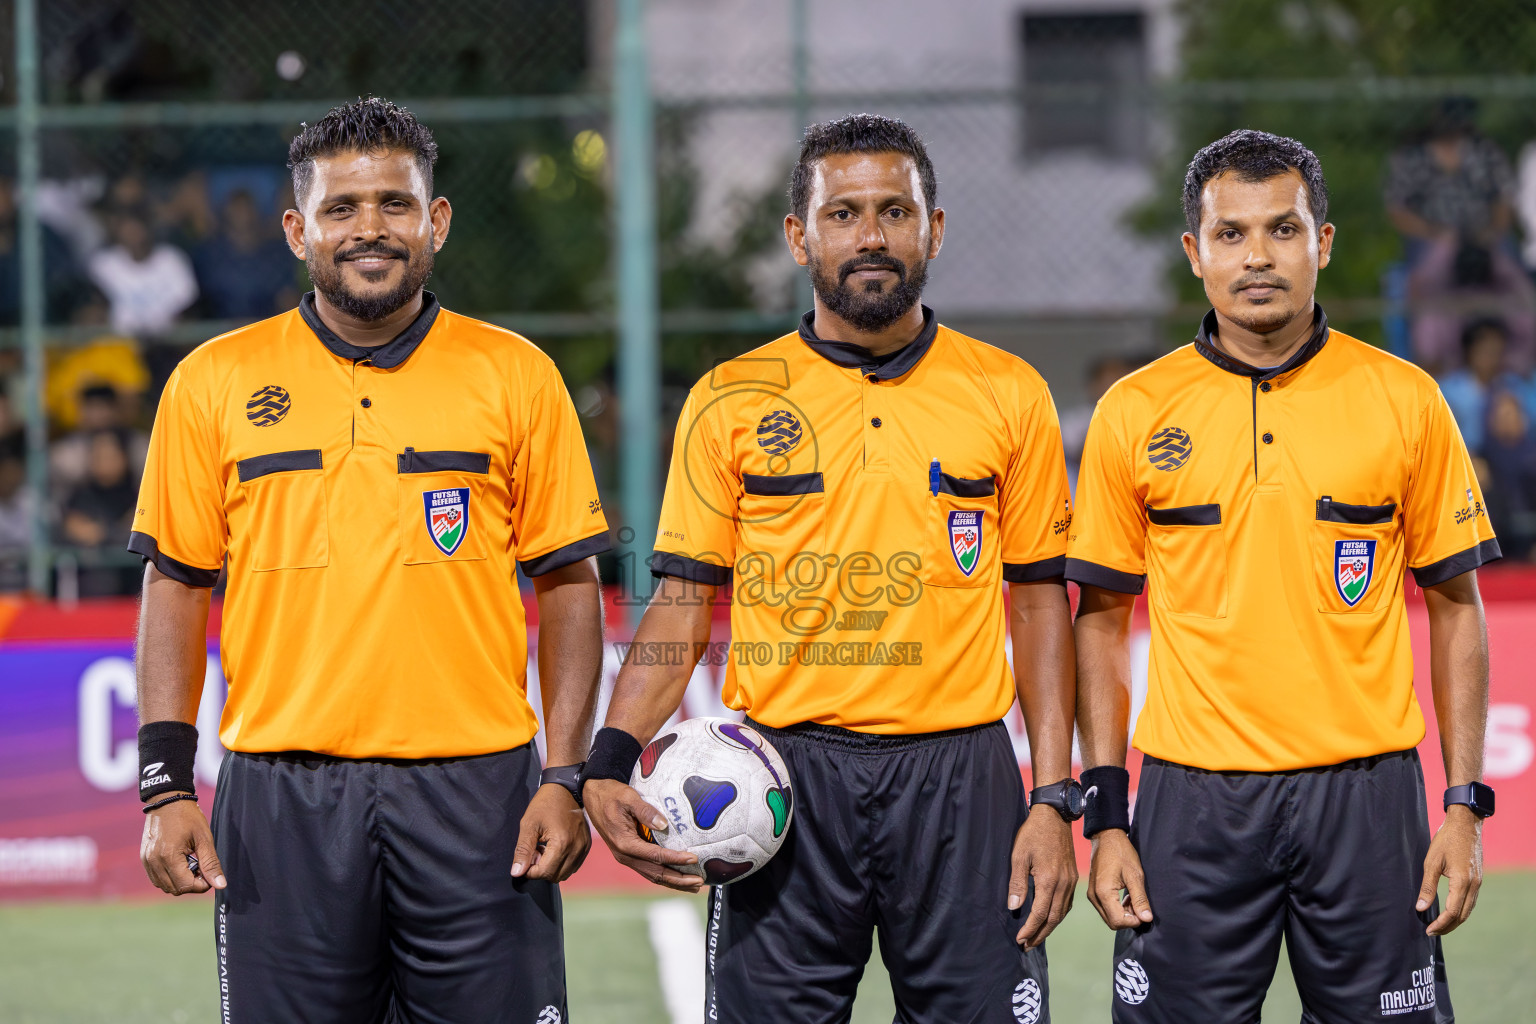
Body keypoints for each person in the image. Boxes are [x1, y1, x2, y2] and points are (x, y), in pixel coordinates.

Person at [582, 114, 1078, 1024]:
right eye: (843, 213)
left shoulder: (1009, 392)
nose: (872, 235)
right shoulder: (731, 397)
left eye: (896, 210)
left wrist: (1052, 796)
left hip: (962, 781)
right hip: (784, 785)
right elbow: (685, 602)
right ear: (799, 235)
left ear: (933, 228)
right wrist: (607, 760)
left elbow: (1041, 606)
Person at [129, 98, 609, 1023]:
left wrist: (565, 776)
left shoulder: (516, 374)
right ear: (296, 230)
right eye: (341, 208)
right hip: (282, 801)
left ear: (436, 221)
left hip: (478, 796)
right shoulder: (212, 381)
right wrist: (164, 782)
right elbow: (178, 582)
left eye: (395, 204)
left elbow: (569, 584)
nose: (369, 229)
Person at [1069, 129, 1500, 1023]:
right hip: (1192, 802)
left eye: (1283, 229)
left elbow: (1457, 607)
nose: (1257, 257)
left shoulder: (1405, 399)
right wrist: (1107, 815)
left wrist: (1462, 805)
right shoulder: (1133, 412)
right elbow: (1100, 619)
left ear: (1323, 242)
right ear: (1195, 252)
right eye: (1231, 234)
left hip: (1368, 801)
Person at [1385, 100, 1535, 373]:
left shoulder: (1485, 151)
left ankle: (1521, 362)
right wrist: (1437, 233)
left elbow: (1504, 201)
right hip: (1432, 237)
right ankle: (1430, 361)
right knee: (1425, 289)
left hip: (1485, 236)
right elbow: (1398, 210)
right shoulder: (1413, 156)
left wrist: (1489, 233)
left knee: (1517, 282)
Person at [85, 204, 198, 337]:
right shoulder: (103, 265)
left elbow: (187, 303)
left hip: (169, 342)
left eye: (136, 227)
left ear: (148, 228)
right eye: (126, 228)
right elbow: (95, 310)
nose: (132, 234)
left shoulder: (171, 259)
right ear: (117, 231)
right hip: (118, 343)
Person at [193, 189, 299, 320]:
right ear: (226, 213)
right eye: (236, 209)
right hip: (216, 332)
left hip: (264, 329)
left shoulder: (275, 254)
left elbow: (288, 299)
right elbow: (193, 301)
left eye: (246, 208)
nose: (241, 214)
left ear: (256, 213)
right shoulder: (208, 255)